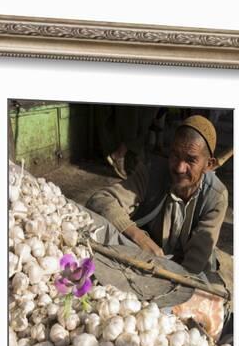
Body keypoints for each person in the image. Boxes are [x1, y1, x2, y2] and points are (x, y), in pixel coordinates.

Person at [86, 115, 228, 274]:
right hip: (148, 257)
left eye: (191, 160)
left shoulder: (216, 196)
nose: (180, 168)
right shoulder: (152, 172)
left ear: (208, 164)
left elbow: (195, 262)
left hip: (186, 271)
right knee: (98, 227)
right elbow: (100, 200)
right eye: (175, 155)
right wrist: (139, 237)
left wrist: (173, 281)